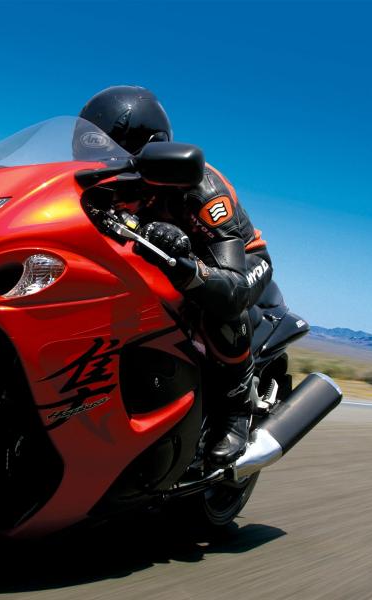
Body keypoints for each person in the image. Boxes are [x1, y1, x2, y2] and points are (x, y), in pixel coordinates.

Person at [80, 85, 275, 466]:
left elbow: (233, 285)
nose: (100, 160)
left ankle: (235, 407)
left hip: (239, 264)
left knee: (215, 303)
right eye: (92, 148)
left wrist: (188, 265)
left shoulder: (201, 190)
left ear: (151, 148)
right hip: (166, 259)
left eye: (111, 149)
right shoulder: (103, 181)